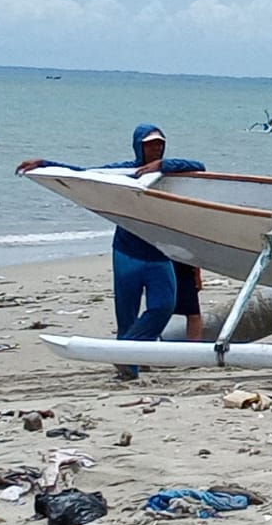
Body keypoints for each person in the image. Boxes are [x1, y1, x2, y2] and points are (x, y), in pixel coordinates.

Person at [17, 123, 205, 379]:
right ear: (138, 146)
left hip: (159, 254)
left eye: (160, 144)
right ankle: (130, 369)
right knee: (126, 315)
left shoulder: (171, 172)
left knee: (164, 306)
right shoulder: (123, 172)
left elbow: (199, 166)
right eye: (150, 145)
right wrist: (44, 164)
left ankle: (125, 351)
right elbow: (84, 175)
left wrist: (163, 165)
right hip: (127, 254)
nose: (156, 148)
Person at [173, 261, 204, 342]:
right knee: (162, 309)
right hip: (164, 263)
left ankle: (194, 345)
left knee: (194, 315)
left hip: (185, 268)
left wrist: (197, 275)